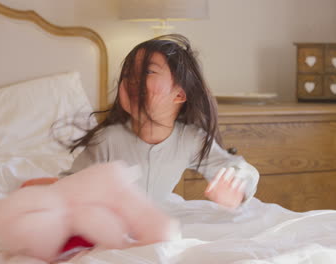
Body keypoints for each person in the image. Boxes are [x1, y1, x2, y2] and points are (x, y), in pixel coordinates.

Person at [61, 34, 259, 209]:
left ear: (180, 94)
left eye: (148, 71)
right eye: (128, 74)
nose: (132, 79)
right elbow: (68, 188)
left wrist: (236, 187)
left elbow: (240, 168)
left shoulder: (190, 140)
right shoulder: (108, 140)